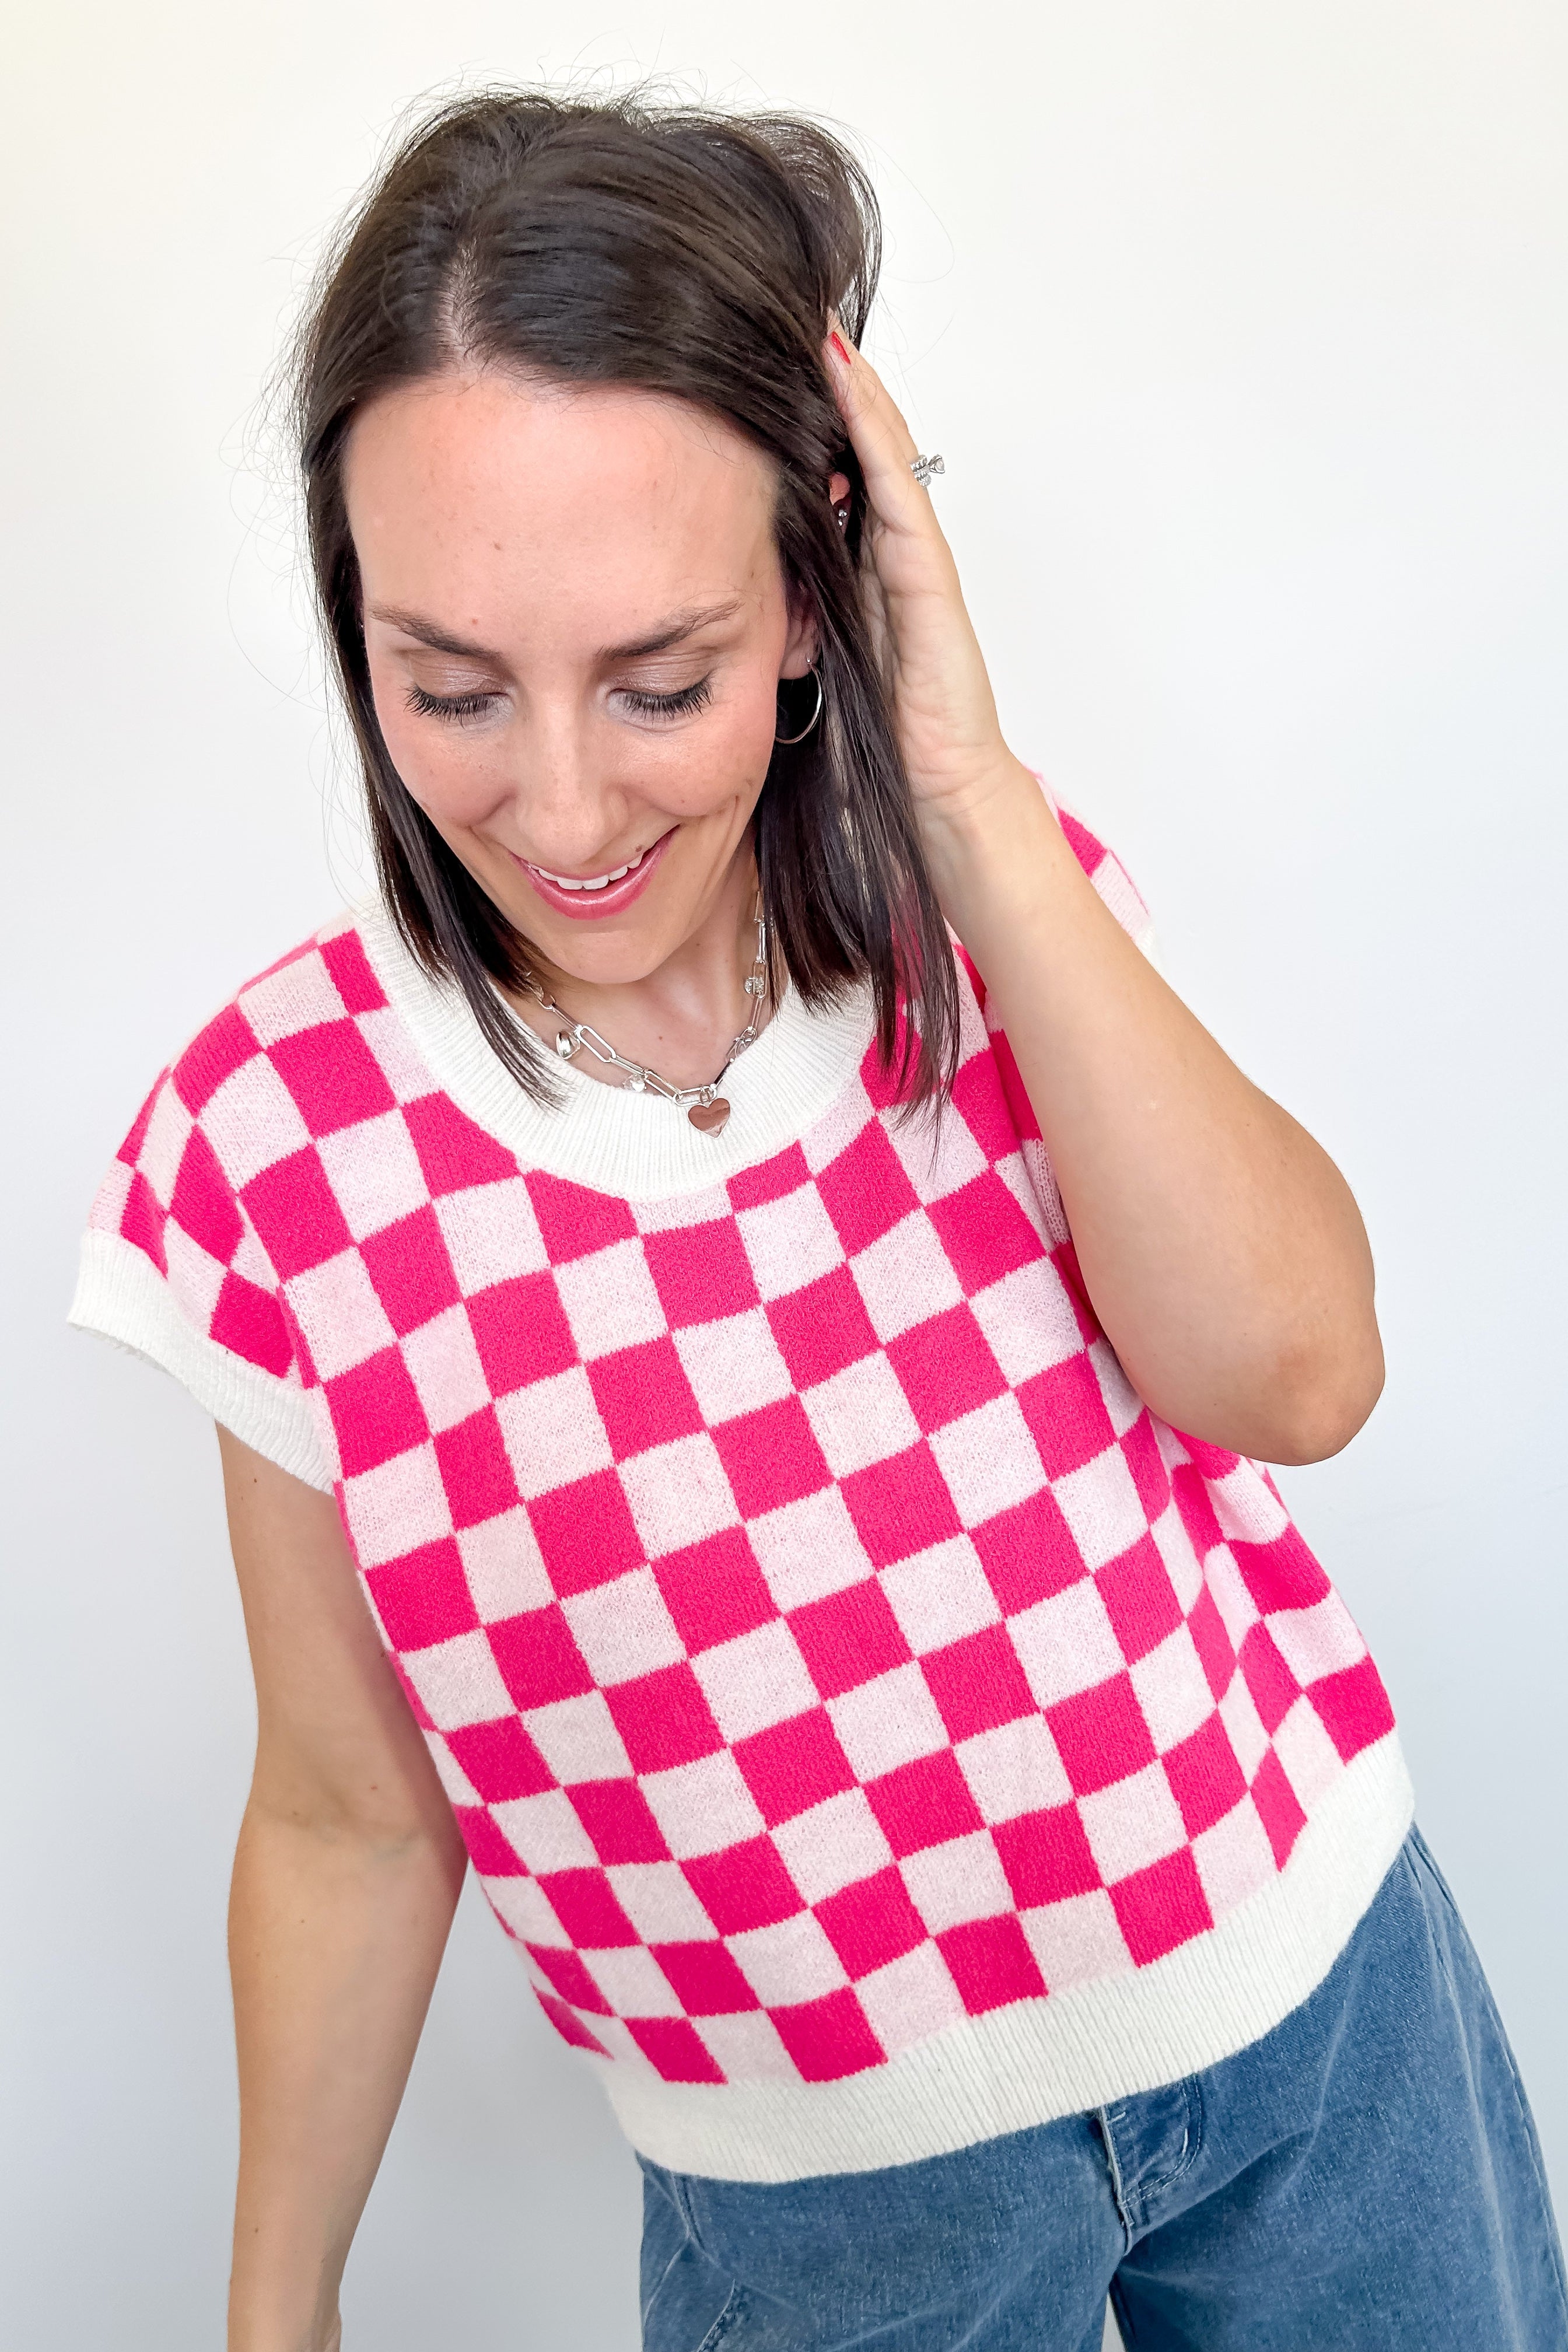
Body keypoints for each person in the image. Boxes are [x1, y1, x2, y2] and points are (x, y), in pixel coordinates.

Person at [71, 88, 1564, 2352]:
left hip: (1319, 2048)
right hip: (829, 2228)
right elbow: (351, 1817)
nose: (557, 805)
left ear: (811, 599)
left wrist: (961, 796)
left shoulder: (976, 927)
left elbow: (1298, 1376)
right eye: (446, 686)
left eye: (658, 680)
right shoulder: (276, 1148)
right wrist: (275, 2313)